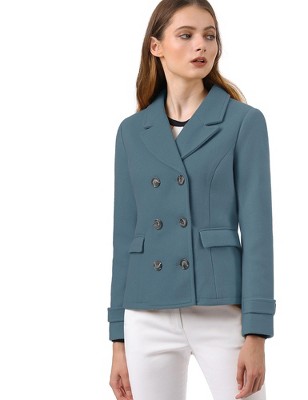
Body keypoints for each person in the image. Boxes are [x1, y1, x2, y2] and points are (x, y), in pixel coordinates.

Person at [107, 1, 276, 399]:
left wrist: (256, 331)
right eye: (186, 35)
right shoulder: (132, 132)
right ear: (156, 47)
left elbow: (258, 234)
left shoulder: (243, 122)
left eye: (209, 35)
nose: (201, 45)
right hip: (147, 311)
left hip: (221, 309)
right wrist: (118, 339)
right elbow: (125, 237)